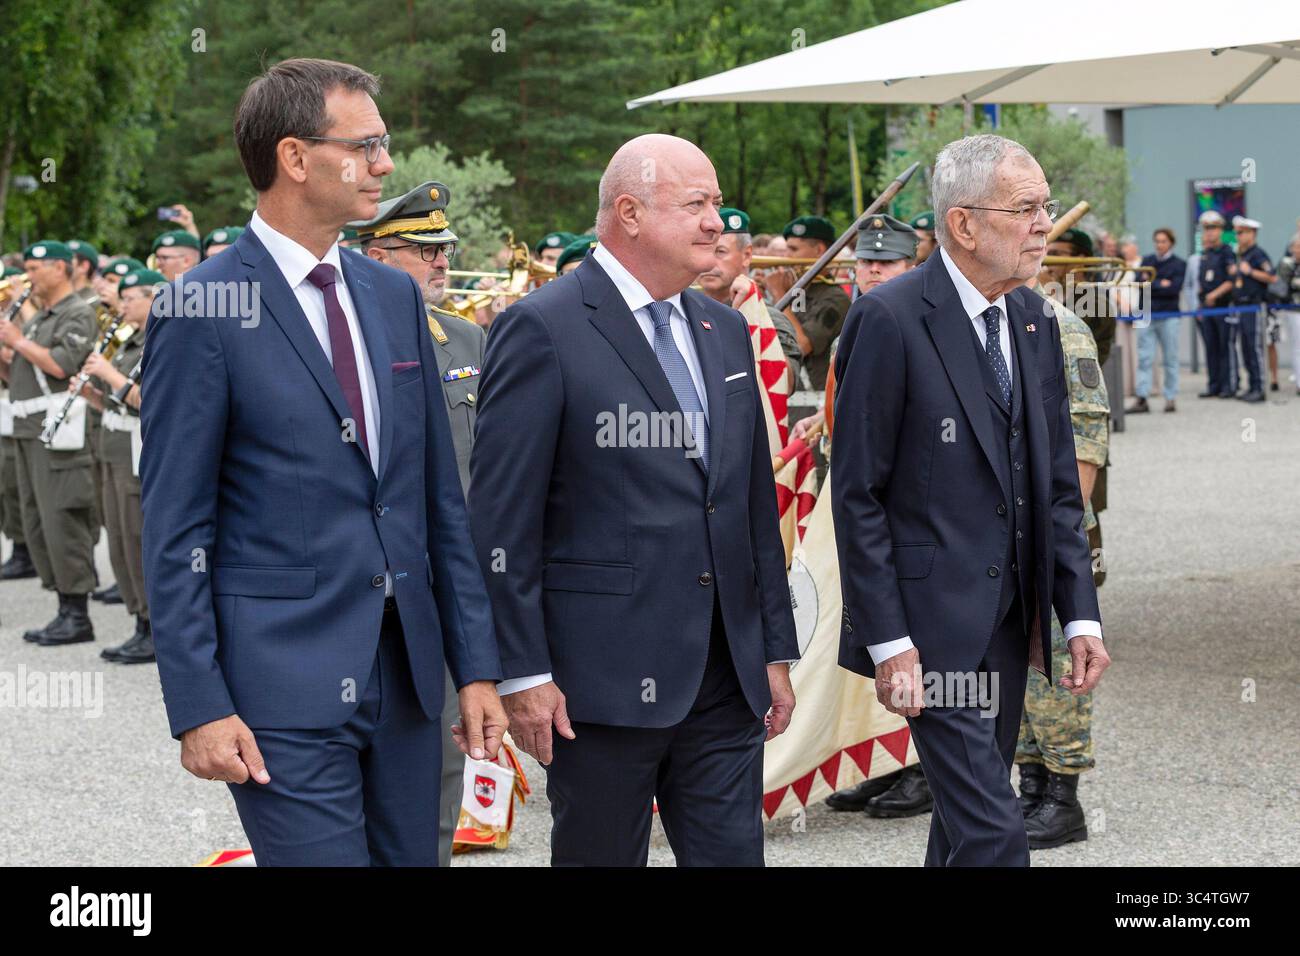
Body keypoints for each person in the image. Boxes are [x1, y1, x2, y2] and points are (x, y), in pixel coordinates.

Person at [139, 57, 506, 867]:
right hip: (282, 687)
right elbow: (175, 524)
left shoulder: (392, 295)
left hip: (408, 680)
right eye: (367, 145)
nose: (384, 165)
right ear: (295, 159)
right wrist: (197, 705)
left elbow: (437, 502)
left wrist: (476, 667)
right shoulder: (202, 305)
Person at [469, 133, 798, 867]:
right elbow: (500, 520)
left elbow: (749, 508)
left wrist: (774, 648)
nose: (720, 221)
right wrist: (522, 673)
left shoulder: (724, 331)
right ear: (629, 212)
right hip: (599, 686)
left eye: (718, 203)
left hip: (724, 676)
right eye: (698, 204)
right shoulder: (544, 327)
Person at [832, 134, 1109, 866]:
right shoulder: (888, 319)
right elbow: (857, 494)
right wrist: (888, 641)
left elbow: (1055, 491)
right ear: (964, 224)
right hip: (928, 635)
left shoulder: (1033, 320)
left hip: (1009, 624)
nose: (1045, 223)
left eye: (1044, 207)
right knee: (995, 830)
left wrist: (1076, 612)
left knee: (961, 827)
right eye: (1026, 209)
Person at [353, 179, 485, 866]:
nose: (443, 261)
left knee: (434, 774)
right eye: (424, 249)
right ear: (375, 256)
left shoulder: (465, 338)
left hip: (441, 592)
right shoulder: (340, 340)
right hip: (356, 591)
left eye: (446, 248)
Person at [1015, 289, 1109, 850]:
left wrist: (1059, 540)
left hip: (1051, 530)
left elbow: (1085, 442)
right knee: (1022, 666)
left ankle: (1062, 796)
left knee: (1058, 661)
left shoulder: (1060, 326)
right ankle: (1028, 784)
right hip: (1009, 527)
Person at [0, 241, 99, 646]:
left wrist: (18, 340)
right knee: (37, 520)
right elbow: (22, 374)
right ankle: (63, 606)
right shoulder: (42, 315)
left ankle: (77, 614)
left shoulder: (77, 312)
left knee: (62, 520)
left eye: (36, 267)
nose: (29, 275)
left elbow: (61, 364)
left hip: (59, 433)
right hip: (29, 428)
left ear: (61, 268)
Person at [75, 268, 163, 663]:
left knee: (135, 534)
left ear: (153, 298)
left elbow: (151, 401)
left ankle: (152, 625)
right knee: (118, 537)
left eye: (131, 298)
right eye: (122, 298)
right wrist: (94, 391)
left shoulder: (159, 338)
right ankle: (137, 619)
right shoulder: (128, 340)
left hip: (137, 441)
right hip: (113, 439)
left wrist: (109, 376)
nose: (122, 304)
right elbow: (116, 396)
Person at [696, 207, 802, 384]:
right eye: (703, 251)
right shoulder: (683, 310)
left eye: (720, 252)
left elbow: (784, 383)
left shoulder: (769, 318)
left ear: (746, 255)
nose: (709, 262)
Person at [766, 215, 850, 391]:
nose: (786, 257)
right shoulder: (798, 291)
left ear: (819, 250)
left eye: (793, 249)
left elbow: (801, 346)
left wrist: (779, 294)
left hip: (815, 404)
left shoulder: (836, 299)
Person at [1130, 227, 1186, 413]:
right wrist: (1161, 283)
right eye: (1157, 241)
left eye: (1163, 241)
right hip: (1146, 314)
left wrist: (1151, 284)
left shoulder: (1179, 264)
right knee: (1144, 357)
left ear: (1171, 243)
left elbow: (1174, 289)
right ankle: (1142, 397)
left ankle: (1170, 397)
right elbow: (1139, 283)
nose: (1160, 244)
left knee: (1170, 357)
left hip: (1168, 316)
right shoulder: (1147, 261)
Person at [1229, 216, 1273, 403]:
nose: (1238, 236)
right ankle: (1252, 385)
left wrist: (1250, 271)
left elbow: (1271, 277)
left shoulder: (1258, 254)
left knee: (1255, 348)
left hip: (1254, 306)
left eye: (1241, 233)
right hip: (1241, 305)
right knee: (1245, 348)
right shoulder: (1242, 255)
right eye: (1237, 233)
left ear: (1252, 233)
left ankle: (1261, 387)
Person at [1195, 210, 1236, 398]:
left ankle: (1229, 385)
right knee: (1210, 347)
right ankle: (1214, 385)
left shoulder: (1227, 251)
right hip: (1207, 308)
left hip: (1223, 306)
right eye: (1206, 229)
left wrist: (1214, 294)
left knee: (1224, 347)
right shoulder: (1205, 254)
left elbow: (1231, 280)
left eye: (1213, 228)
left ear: (1220, 230)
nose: (1210, 232)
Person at [1274, 234, 1300, 395]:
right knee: (1299, 347)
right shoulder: (1287, 264)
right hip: (1294, 310)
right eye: (1296, 246)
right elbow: (1282, 288)